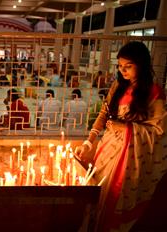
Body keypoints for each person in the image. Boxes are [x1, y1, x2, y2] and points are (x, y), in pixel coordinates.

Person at [75, 41, 167, 232]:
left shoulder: (154, 92)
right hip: (108, 148)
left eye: (128, 66)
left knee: (114, 197)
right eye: (120, 66)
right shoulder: (118, 86)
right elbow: (103, 114)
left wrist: (126, 129)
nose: (123, 71)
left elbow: (158, 130)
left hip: (131, 156)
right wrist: (88, 143)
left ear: (141, 65)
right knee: (98, 192)